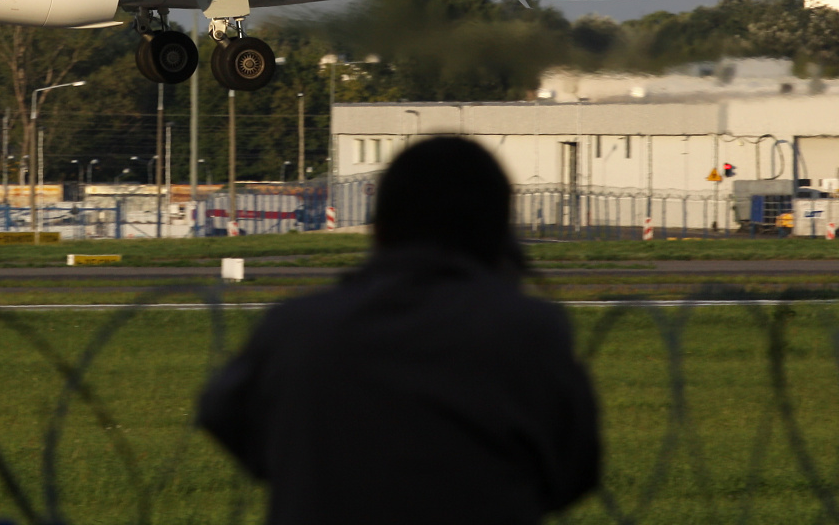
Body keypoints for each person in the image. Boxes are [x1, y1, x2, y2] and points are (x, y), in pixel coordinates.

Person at [198, 135, 600, 524]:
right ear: (499, 236)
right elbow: (575, 470)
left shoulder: (296, 328)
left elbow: (222, 413)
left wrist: (312, 471)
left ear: (380, 229)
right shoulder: (527, 330)